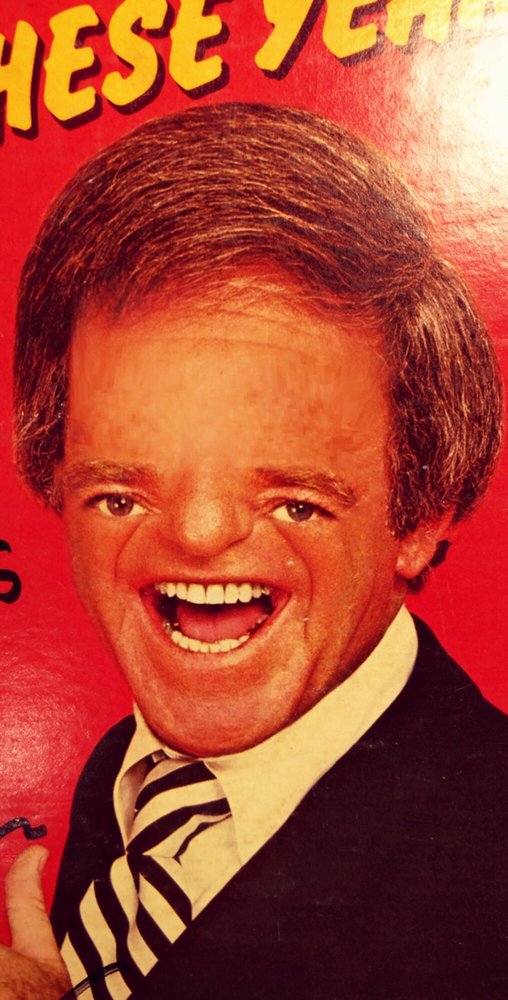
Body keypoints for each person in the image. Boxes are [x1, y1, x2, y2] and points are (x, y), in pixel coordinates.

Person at [2, 103, 507, 999]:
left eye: (294, 502)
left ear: (421, 516)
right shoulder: (128, 777)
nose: (197, 538)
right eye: (121, 496)